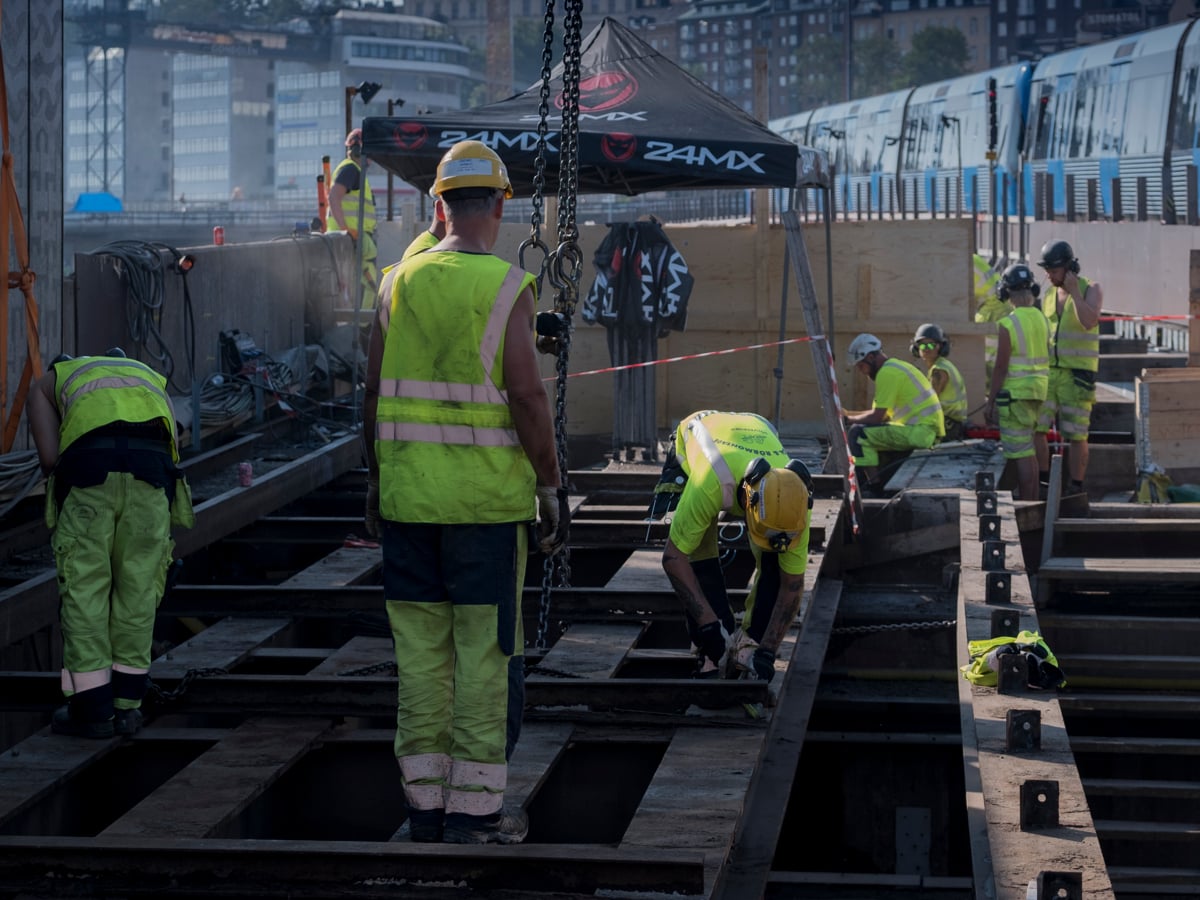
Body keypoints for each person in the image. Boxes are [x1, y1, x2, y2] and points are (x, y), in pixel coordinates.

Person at [362, 140, 568, 846]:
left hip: (408, 507)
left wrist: (376, 477)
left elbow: (371, 391)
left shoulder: (397, 282)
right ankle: (475, 815)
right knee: (483, 659)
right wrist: (549, 485)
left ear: (437, 204)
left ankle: (423, 811)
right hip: (484, 514)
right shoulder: (506, 287)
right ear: (502, 205)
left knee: (421, 659)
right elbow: (528, 397)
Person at [25, 349, 194, 738]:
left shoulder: (54, 379)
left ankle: (92, 711)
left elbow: (50, 460)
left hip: (89, 479)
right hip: (151, 481)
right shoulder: (148, 375)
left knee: (86, 592)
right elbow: (174, 444)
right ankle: (128, 707)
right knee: (136, 590)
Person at [659, 410, 813, 681]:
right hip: (698, 434)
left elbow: (792, 584)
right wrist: (708, 624)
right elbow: (674, 558)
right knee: (697, 552)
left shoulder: (795, 500)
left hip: (753, 428)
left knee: (775, 565)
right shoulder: (708, 482)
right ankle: (709, 651)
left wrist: (767, 650)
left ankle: (748, 647)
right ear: (748, 504)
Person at [1032, 239, 1103, 496]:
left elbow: (1088, 321)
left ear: (1069, 268)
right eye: (1047, 270)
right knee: (1036, 427)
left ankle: (1075, 487)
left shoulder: (1090, 289)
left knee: (1076, 433)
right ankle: (1042, 481)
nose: (1049, 275)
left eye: (1053, 270)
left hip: (1078, 375)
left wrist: (1074, 292)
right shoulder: (1049, 296)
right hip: (1050, 372)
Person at [843, 333, 945, 489]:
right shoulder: (895, 367)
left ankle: (870, 487)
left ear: (870, 358)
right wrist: (848, 415)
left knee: (858, 434)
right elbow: (881, 416)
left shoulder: (887, 374)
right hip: (923, 431)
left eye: (861, 366)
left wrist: (848, 420)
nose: (862, 371)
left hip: (919, 433)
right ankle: (874, 483)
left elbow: (877, 417)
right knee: (863, 430)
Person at [984, 264, 1050, 501]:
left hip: (1015, 396)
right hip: (1038, 393)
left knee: (1020, 453)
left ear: (1006, 293)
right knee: (1029, 449)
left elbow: (1001, 368)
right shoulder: (1042, 319)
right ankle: (1031, 501)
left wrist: (990, 401)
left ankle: (1025, 505)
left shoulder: (1008, 324)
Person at [327, 128, 378, 312]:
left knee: (361, 284)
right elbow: (333, 197)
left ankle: (363, 328)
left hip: (357, 237)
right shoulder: (350, 169)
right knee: (366, 285)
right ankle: (363, 329)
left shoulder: (354, 170)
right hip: (353, 237)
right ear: (359, 150)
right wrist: (346, 231)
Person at [911, 323, 968, 441]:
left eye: (931, 345)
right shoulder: (942, 366)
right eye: (922, 345)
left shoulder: (939, 371)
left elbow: (929, 404)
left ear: (941, 347)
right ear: (916, 348)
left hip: (947, 426)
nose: (926, 349)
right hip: (950, 423)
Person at [974, 254, 1012, 385]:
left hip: (992, 307)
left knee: (989, 356)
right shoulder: (969, 258)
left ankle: (990, 391)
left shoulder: (957, 261)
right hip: (996, 302)